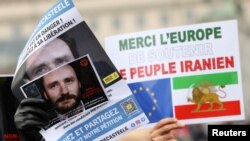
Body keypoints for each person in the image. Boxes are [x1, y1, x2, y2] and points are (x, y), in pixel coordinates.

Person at [14, 34, 184, 141]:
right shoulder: (27, 124)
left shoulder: (124, 98)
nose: (56, 74)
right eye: (41, 70)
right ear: (29, 82)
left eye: (62, 61)